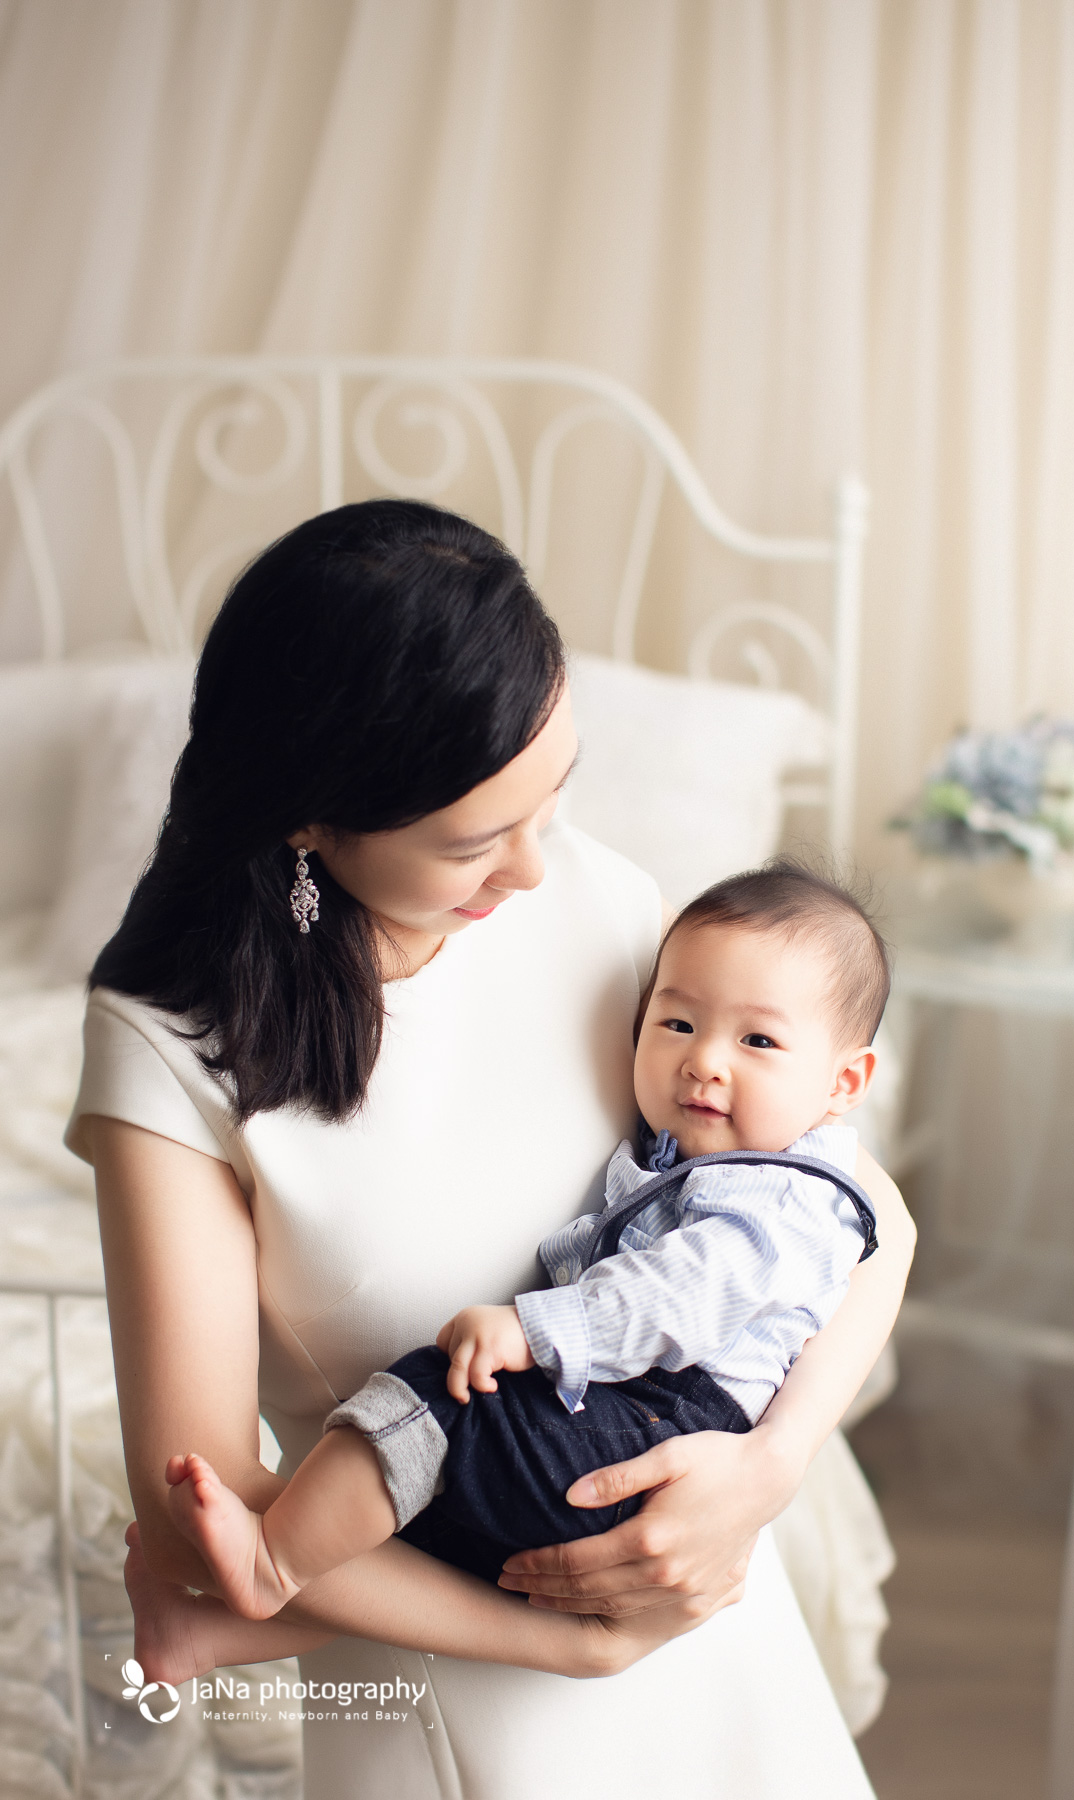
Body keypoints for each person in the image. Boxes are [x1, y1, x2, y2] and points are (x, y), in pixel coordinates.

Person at [66, 499, 915, 1800]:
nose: (531, 866)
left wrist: (764, 1472)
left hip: (712, 1630)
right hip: (463, 1694)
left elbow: (862, 1217)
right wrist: (571, 1648)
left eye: (553, 790)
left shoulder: (605, 900)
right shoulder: (173, 1049)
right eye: (470, 839)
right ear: (309, 820)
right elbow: (207, 1527)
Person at [158, 860, 888, 1625]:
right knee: (420, 1515)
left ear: (844, 1084)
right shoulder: (719, 1151)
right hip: (631, 1412)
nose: (704, 1059)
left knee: (443, 1400)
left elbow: (677, 1295)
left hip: (664, 1419)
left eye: (759, 1041)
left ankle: (270, 1563)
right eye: (677, 1024)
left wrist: (533, 1330)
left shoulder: (782, 1195)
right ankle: (227, 1629)